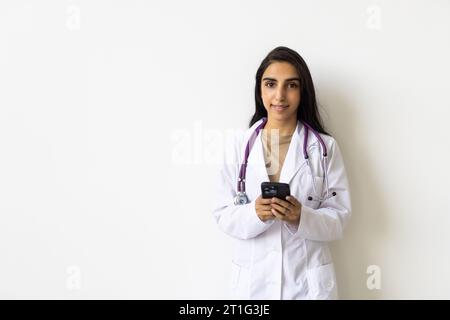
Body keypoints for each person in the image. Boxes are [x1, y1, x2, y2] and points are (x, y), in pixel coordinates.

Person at [212, 46, 352, 300]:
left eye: (291, 85)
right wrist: (254, 213)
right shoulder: (238, 146)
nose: (279, 95)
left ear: (302, 91)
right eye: (270, 84)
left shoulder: (324, 148)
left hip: (307, 285)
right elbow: (222, 213)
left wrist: (301, 217)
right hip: (253, 285)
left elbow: (340, 219)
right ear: (260, 89)